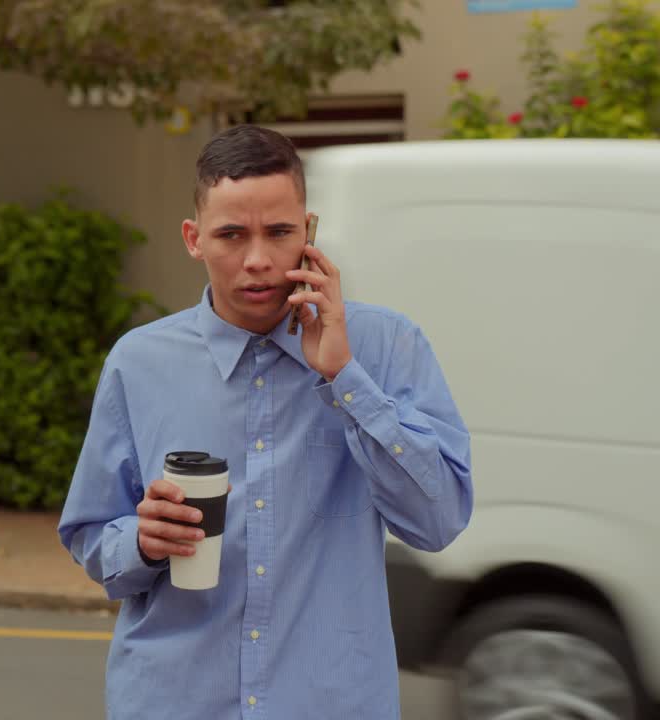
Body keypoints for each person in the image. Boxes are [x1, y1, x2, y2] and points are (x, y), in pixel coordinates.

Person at [57, 125, 472, 718]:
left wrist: (346, 381)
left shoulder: (385, 346)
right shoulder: (138, 362)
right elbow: (90, 534)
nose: (257, 260)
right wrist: (142, 542)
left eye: (279, 232)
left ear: (309, 231)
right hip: (174, 701)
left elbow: (440, 519)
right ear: (193, 239)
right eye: (231, 234)